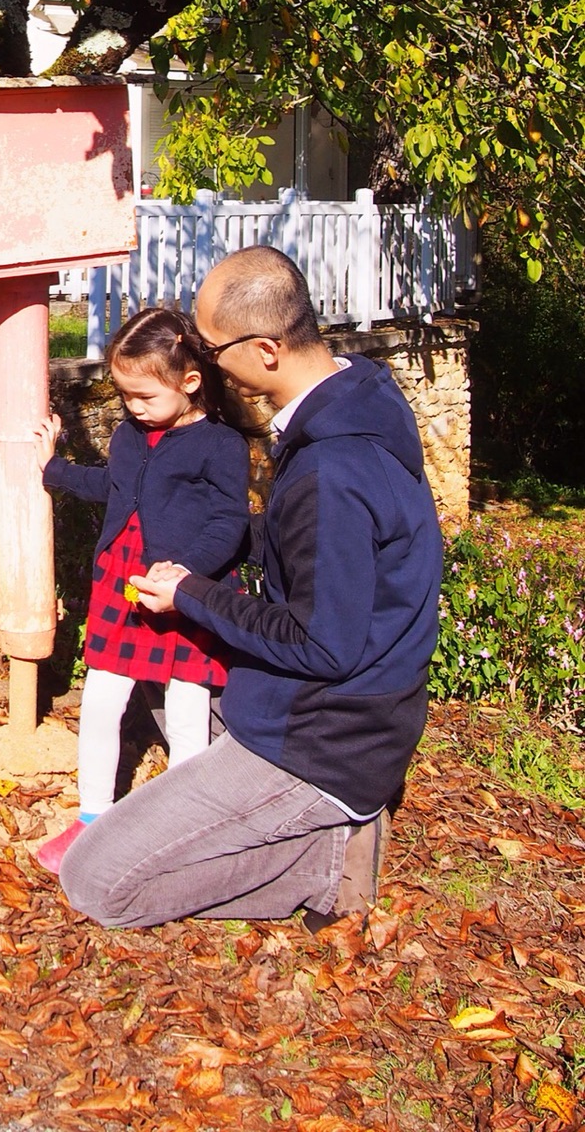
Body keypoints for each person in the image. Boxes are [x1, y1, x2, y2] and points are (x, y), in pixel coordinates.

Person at [58, 246, 444, 930]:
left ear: (264, 349)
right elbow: (311, 554)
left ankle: (324, 860)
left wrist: (193, 595)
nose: (201, 359)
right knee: (159, 696)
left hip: (327, 737)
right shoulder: (357, 394)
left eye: (209, 346)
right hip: (322, 705)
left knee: (96, 881)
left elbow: (320, 646)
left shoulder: (333, 469)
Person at [31, 306, 250, 876]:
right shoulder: (131, 434)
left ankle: (183, 827)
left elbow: (230, 523)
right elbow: (113, 485)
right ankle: (92, 818)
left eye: (145, 396)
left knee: (185, 708)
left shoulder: (220, 445)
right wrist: (54, 468)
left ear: (190, 382)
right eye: (125, 395)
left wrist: (185, 575)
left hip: (182, 588)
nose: (133, 408)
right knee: (102, 701)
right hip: (120, 582)